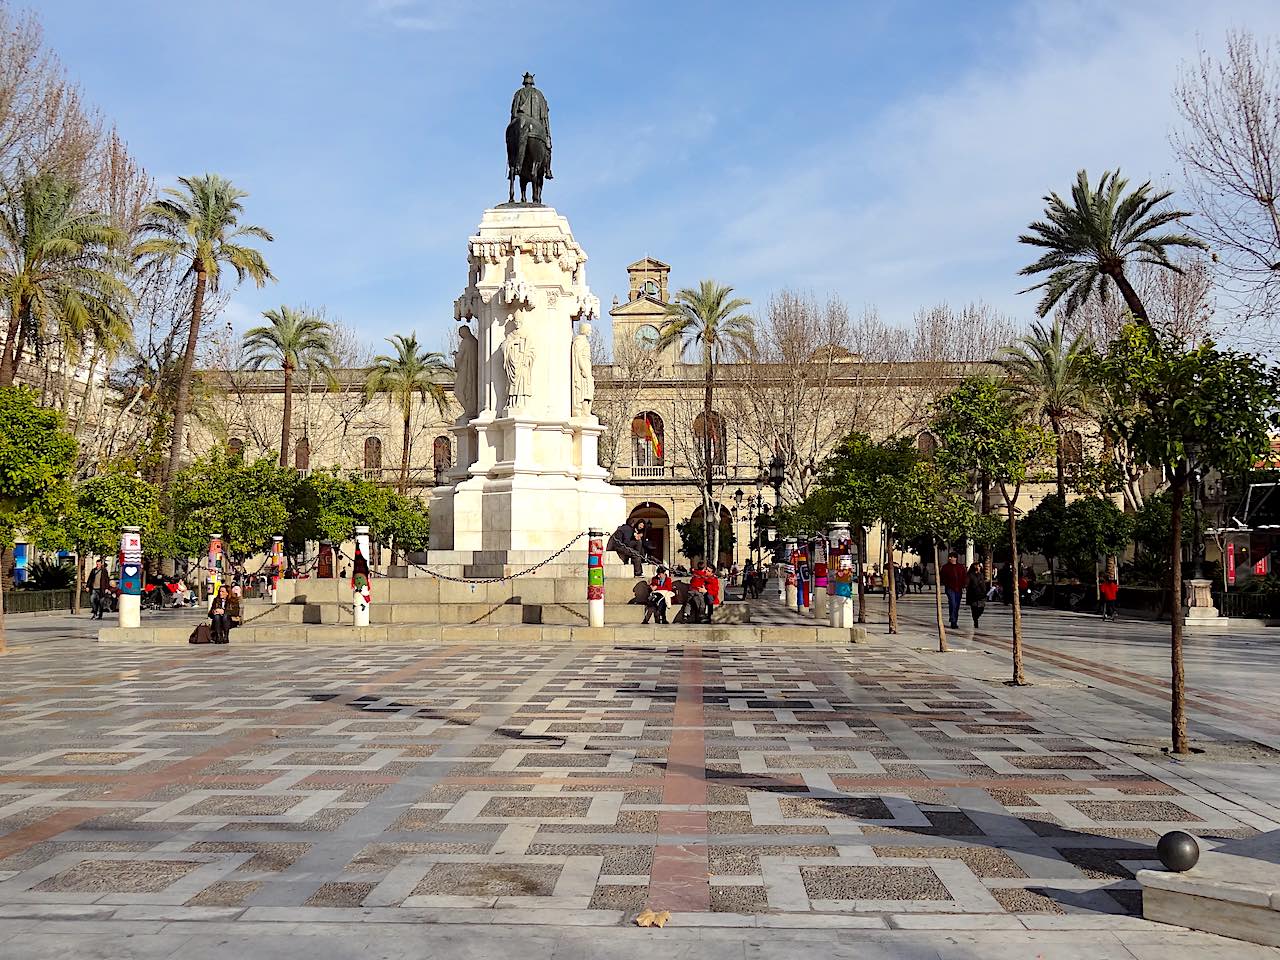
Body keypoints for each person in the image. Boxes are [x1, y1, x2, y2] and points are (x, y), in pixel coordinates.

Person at [940, 552, 967, 629]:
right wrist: (946, 583)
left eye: (951, 557)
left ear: (955, 558)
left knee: (957, 605)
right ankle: (953, 620)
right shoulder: (945, 567)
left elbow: (964, 577)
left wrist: (964, 585)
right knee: (952, 603)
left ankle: (955, 620)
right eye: (949, 557)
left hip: (959, 588)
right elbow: (942, 577)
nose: (949, 558)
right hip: (950, 588)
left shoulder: (961, 567)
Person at [966, 562, 988, 628]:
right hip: (973, 595)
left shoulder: (981, 575)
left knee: (981, 609)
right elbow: (968, 584)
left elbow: (983, 584)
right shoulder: (970, 575)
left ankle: (976, 617)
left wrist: (984, 591)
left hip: (981, 594)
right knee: (974, 608)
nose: (978, 567)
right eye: (977, 566)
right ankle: (975, 620)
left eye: (979, 566)